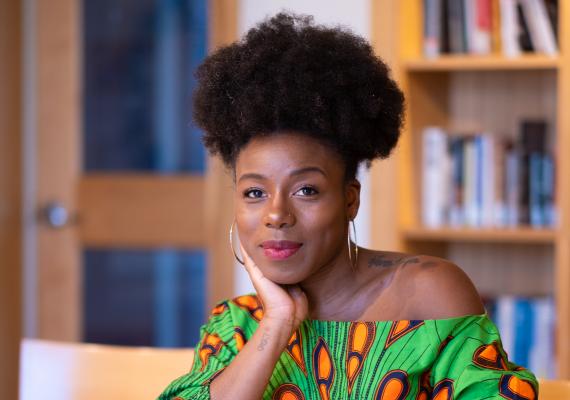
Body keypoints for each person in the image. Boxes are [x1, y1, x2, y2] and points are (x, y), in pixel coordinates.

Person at [159, 12, 538, 400]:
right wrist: (276, 324)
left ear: (350, 199)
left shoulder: (428, 295)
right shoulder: (235, 325)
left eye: (306, 190)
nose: (276, 215)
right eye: (254, 193)